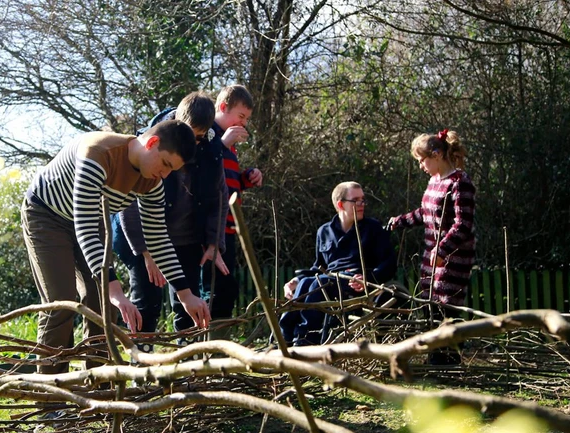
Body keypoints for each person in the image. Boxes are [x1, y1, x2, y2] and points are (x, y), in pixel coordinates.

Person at [21, 119, 211, 374]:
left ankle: (98, 383)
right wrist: (116, 291)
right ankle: (50, 398)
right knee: (61, 302)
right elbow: (85, 226)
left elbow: (157, 237)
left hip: (89, 217)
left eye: (171, 170)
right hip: (47, 215)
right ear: (151, 142)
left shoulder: (152, 181)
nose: (165, 175)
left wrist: (185, 295)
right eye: (165, 164)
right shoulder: (98, 154)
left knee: (102, 304)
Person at [113, 91, 229, 348]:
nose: (193, 144)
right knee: (146, 305)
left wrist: (213, 242)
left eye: (199, 137)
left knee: (188, 307)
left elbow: (219, 194)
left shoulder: (211, 149)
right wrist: (145, 251)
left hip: (187, 237)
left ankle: (184, 369)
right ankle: (140, 369)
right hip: (142, 238)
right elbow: (129, 202)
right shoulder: (149, 144)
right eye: (189, 134)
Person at [279, 182, 397, 346]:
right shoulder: (324, 231)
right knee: (306, 282)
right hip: (328, 279)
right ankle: (283, 338)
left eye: (363, 200)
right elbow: (318, 266)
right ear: (341, 204)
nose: (362, 204)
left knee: (319, 283)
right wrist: (295, 282)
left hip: (354, 281)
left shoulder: (373, 228)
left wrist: (368, 278)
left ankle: (306, 340)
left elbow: (389, 263)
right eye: (356, 200)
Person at [387, 129, 476, 316]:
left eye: (421, 160)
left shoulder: (460, 182)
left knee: (445, 312)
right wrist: (400, 221)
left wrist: (442, 250)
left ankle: (450, 345)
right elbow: (426, 213)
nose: (420, 166)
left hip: (451, 259)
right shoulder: (434, 181)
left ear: (437, 155)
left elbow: (463, 224)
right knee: (429, 309)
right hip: (431, 258)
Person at [201, 84, 263, 324]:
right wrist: (222, 144)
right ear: (223, 107)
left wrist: (247, 178)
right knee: (213, 291)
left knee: (227, 291)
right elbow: (199, 171)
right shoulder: (207, 134)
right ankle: (204, 345)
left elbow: (225, 181)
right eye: (241, 116)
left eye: (246, 118)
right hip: (208, 230)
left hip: (228, 229)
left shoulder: (229, 144)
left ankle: (219, 345)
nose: (244, 123)